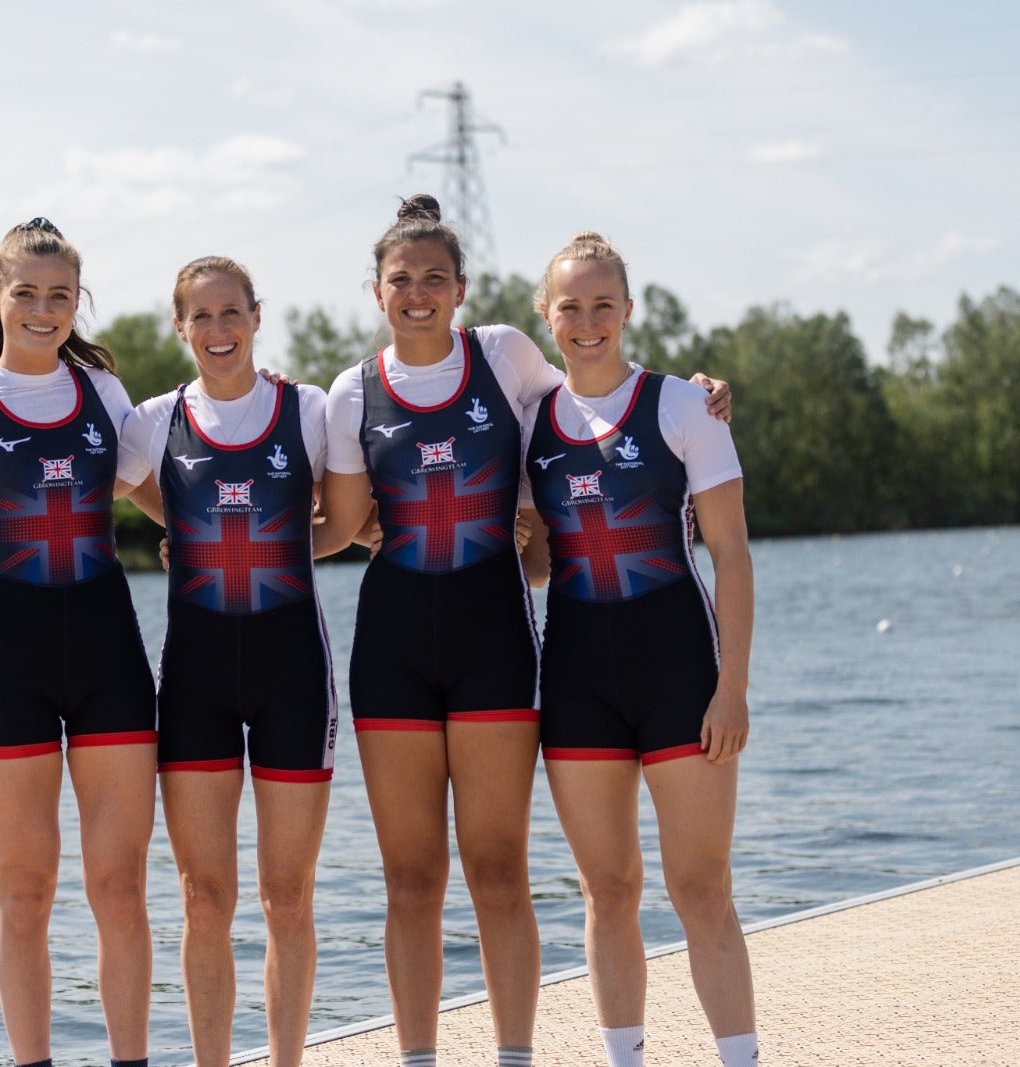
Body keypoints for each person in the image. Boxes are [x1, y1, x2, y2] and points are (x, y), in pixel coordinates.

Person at [311, 196, 730, 1067]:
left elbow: (603, 396)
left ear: (461, 288)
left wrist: (699, 394)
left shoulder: (504, 355)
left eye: (435, 278)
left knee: (499, 872)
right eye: (402, 280)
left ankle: (514, 1057)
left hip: (497, 645)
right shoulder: (351, 390)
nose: (419, 293)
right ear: (376, 290)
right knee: (410, 879)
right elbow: (345, 519)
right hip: (391, 653)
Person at [0, 218, 158, 1067]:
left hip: (109, 663)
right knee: (24, 892)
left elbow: (178, 491)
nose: (43, 309)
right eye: (26, 292)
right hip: (6, 666)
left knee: (119, 888)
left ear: (76, 303)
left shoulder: (106, 398)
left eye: (60, 295)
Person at [517, 231, 758, 1067]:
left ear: (628, 310)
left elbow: (730, 551)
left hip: (682, 677)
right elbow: (544, 564)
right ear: (546, 315)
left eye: (602, 304)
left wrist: (732, 686)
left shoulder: (684, 406)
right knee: (608, 892)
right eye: (570, 306)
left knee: (701, 890)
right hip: (579, 682)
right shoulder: (529, 424)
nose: (587, 321)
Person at [113, 256, 336, 1067]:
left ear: (256, 315)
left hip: (292, 680)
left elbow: (349, 520)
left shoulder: (309, 411)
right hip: (197, 684)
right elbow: (54, 416)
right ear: (180, 328)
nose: (217, 330)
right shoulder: (150, 420)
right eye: (199, 317)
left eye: (230, 313)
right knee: (205, 901)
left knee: (286, 897)